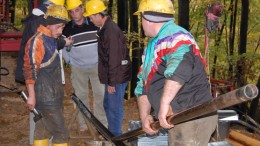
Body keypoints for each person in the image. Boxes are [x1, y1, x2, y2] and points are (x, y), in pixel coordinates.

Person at [134, 0, 218, 145]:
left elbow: (180, 67)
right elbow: (143, 83)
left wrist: (164, 104)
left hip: (192, 115)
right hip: (177, 117)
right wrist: (145, 116)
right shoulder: (153, 45)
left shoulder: (176, 36)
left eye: (141, 17)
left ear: (147, 18)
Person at [84, 0, 132, 136]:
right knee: (107, 104)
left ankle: (115, 136)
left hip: (117, 76)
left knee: (114, 108)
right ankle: (112, 132)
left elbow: (114, 59)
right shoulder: (104, 28)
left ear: (99, 14)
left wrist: (112, 82)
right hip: (114, 76)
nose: (91, 20)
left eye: (91, 17)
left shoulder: (110, 31)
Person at [24, 5, 69, 146]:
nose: (61, 31)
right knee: (61, 133)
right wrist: (31, 95)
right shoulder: (38, 41)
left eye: (62, 27)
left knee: (42, 130)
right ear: (49, 24)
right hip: (46, 98)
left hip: (52, 96)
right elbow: (29, 69)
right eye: (59, 27)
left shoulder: (51, 39)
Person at [62, 0, 107, 131]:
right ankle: (84, 124)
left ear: (82, 9)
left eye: (77, 10)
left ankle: (101, 124)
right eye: (71, 11)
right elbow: (61, 47)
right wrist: (69, 61)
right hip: (78, 68)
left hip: (97, 66)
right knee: (81, 97)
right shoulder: (67, 28)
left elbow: (104, 41)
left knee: (100, 94)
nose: (75, 14)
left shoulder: (94, 23)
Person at [15, 0, 72, 84]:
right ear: (49, 6)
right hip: (36, 70)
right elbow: (46, 42)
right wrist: (64, 42)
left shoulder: (38, 17)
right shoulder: (39, 19)